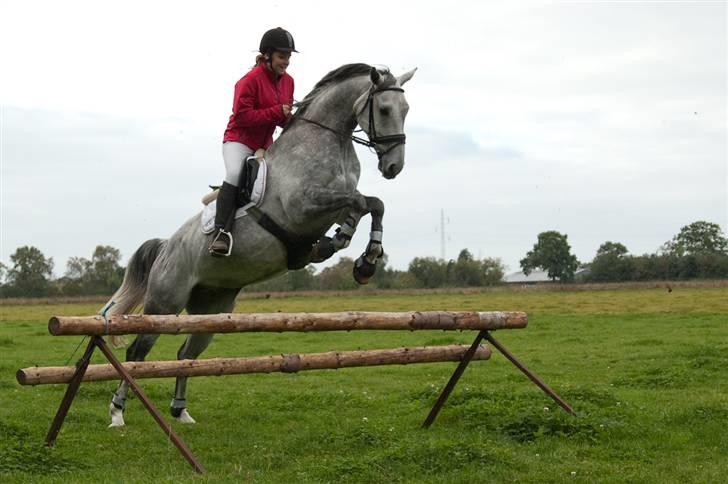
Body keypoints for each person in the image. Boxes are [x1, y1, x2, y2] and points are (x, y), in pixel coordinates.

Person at [209, 27, 297, 256]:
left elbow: (281, 119)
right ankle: (221, 233)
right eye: (282, 56)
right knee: (235, 173)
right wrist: (277, 111)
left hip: (265, 144)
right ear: (267, 55)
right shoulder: (248, 81)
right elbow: (243, 117)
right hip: (239, 140)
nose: (286, 61)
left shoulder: (289, 82)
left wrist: (292, 121)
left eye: (288, 56)